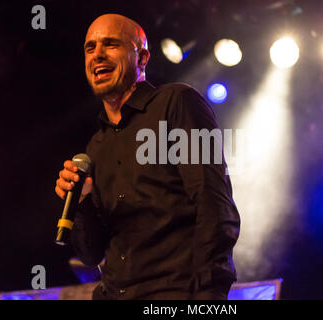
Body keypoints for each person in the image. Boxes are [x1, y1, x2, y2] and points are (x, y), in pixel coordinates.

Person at [54, 14, 240, 300]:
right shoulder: (96, 146)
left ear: (142, 58)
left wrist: (208, 295)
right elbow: (91, 254)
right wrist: (82, 203)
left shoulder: (177, 103)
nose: (98, 55)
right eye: (90, 48)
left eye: (111, 44)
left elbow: (214, 204)